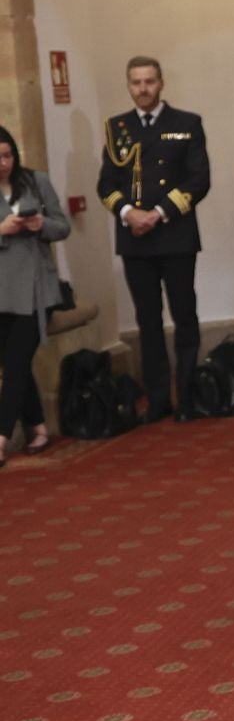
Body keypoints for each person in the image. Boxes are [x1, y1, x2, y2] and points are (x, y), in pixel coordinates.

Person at [96, 55, 208, 424]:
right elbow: (106, 184)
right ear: (128, 86)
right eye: (135, 83)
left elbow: (198, 180)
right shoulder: (117, 128)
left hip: (174, 235)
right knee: (148, 321)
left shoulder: (187, 123)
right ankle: (159, 398)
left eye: (149, 82)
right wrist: (129, 213)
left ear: (161, 83)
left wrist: (157, 214)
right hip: (136, 241)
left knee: (184, 316)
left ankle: (189, 395)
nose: (142, 89)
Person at [0, 127, 70, 467]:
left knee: (14, 363)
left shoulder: (35, 181)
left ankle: (0, 437)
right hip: (1, 293)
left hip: (36, 291)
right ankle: (39, 426)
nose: (3, 163)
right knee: (15, 363)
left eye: (7, 155)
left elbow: (63, 226)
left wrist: (40, 224)